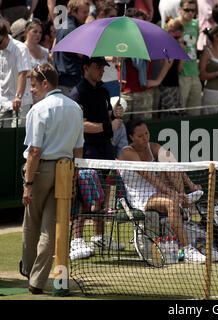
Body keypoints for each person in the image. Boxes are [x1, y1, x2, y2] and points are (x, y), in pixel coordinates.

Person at [20, 63, 84, 294]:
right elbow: (78, 151)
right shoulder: (76, 108)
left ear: (45, 83)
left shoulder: (39, 109)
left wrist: (28, 185)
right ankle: (36, 281)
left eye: (34, 85)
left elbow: (35, 151)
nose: (32, 91)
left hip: (40, 171)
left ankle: (28, 271)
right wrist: (74, 179)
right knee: (50, 228)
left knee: (32, 225)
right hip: (65, 171)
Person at [119, 119, 209, 264]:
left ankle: (184, 200)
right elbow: (149, 178)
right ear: (131, 137)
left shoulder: (152, 147)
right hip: (140, 197)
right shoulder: (127, 153)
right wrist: (171, 193)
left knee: (167, 158)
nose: (145, 138)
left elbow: (173, 164)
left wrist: (190, 185)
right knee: (171, 203)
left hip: (157, 190)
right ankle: (187, 250)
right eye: (140, 136)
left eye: (147, 133)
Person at [69, 56, 125, 260]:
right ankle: (76, 240)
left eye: (103, 67)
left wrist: (115, 114)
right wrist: (108, 126)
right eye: (97, 67)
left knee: (102, 195)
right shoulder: (78, 93)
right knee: (85, 195)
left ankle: (99, 236)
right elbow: (81, 125)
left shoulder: (103, 91)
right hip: (87, 151)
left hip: (105, 149)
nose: (101, 70)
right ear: (86, 68)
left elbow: (108, 117)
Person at [53, 0, 90, 96]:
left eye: (88, 12)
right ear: (73, 11)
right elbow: (82, 54)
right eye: (84, 12)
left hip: (62, 79)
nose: (86, 15)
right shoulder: (73, 29)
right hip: (71, 82)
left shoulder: (62, 25)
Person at [0, 19, 31, 128]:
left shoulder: (21, 49)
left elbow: (23, 74)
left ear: (7, 36)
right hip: (3, 101)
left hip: (19, 102)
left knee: (17, 137)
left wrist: (18, 96)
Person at [176, 0, 203, 116]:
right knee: (180, 112)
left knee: (195, 112)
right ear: (180, 10)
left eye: (193, 10)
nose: (190, 13)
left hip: (195, 73)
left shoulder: (196, 24)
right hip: (180, 74)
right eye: (187, 10)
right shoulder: (174, 25)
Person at [23, 19, 51, 108]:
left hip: (42, 96)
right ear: (26, 32)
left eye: (40, 32)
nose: (38, 34)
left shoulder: (45, 51)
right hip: (26, 95)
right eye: (35, 31)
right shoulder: (20, 50)